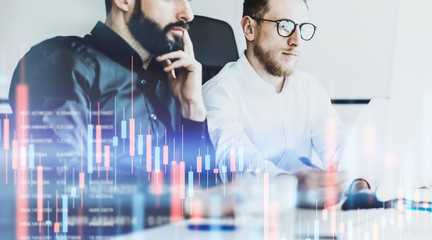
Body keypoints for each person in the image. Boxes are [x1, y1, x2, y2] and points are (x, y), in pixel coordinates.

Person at [7, 0, 212, 237]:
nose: (188, 13)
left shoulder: (174, 82)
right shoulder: (60, 62)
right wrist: (185, 205)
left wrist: (192, 107)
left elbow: (206, 188)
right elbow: (63, 185)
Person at [203, 0, 348, 207]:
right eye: (285, 26)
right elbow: (238, 162)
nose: (296, 41)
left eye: (302, 28)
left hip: (306, 219)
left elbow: (338, 146)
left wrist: (356, 182)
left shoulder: (310, 87)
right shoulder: (219, 93)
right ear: (249, 28)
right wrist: (292, 185)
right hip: (249, 222)